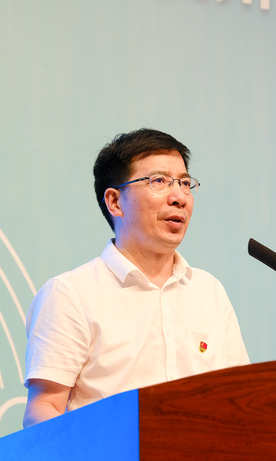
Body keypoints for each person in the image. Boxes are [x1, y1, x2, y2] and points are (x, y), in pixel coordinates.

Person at [22, 128, 250, 428]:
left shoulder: (209, 292)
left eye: (184, 183)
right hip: (113, 459)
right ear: (115, 202)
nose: (179, 197)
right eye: (159, 181)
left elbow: (240, 398)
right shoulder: (71, 294)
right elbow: (44, 409)